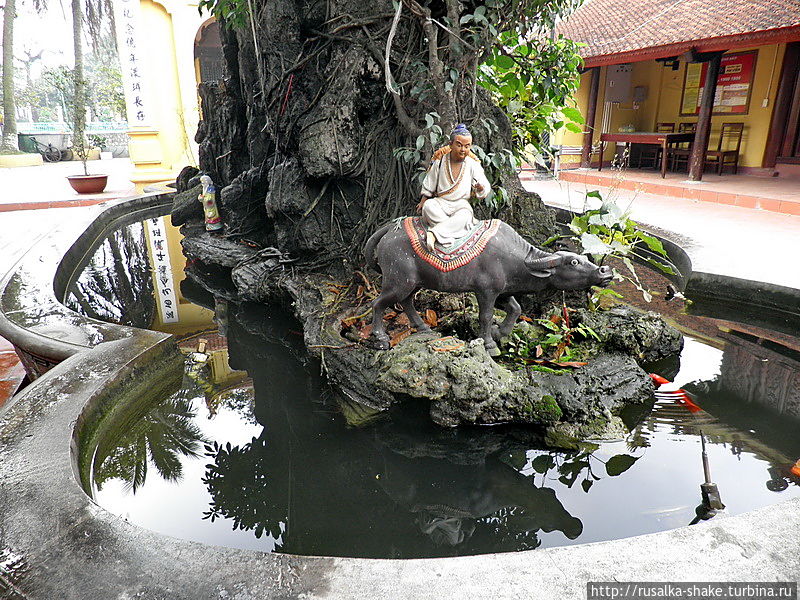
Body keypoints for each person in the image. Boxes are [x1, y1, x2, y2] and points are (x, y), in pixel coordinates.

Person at [416, 124, 491, 251]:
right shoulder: (440, 162)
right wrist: (423, 201)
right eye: (459, 145)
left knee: (465, 217)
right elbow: (430, 183)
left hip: (461, 206)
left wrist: (480, 188)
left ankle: (434, 234)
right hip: (441, 203)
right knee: (428, 207)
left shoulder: (473, 164)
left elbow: (484, 186)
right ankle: (451, 232)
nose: (463, 149)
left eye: (467, 146)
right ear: (451, 144)